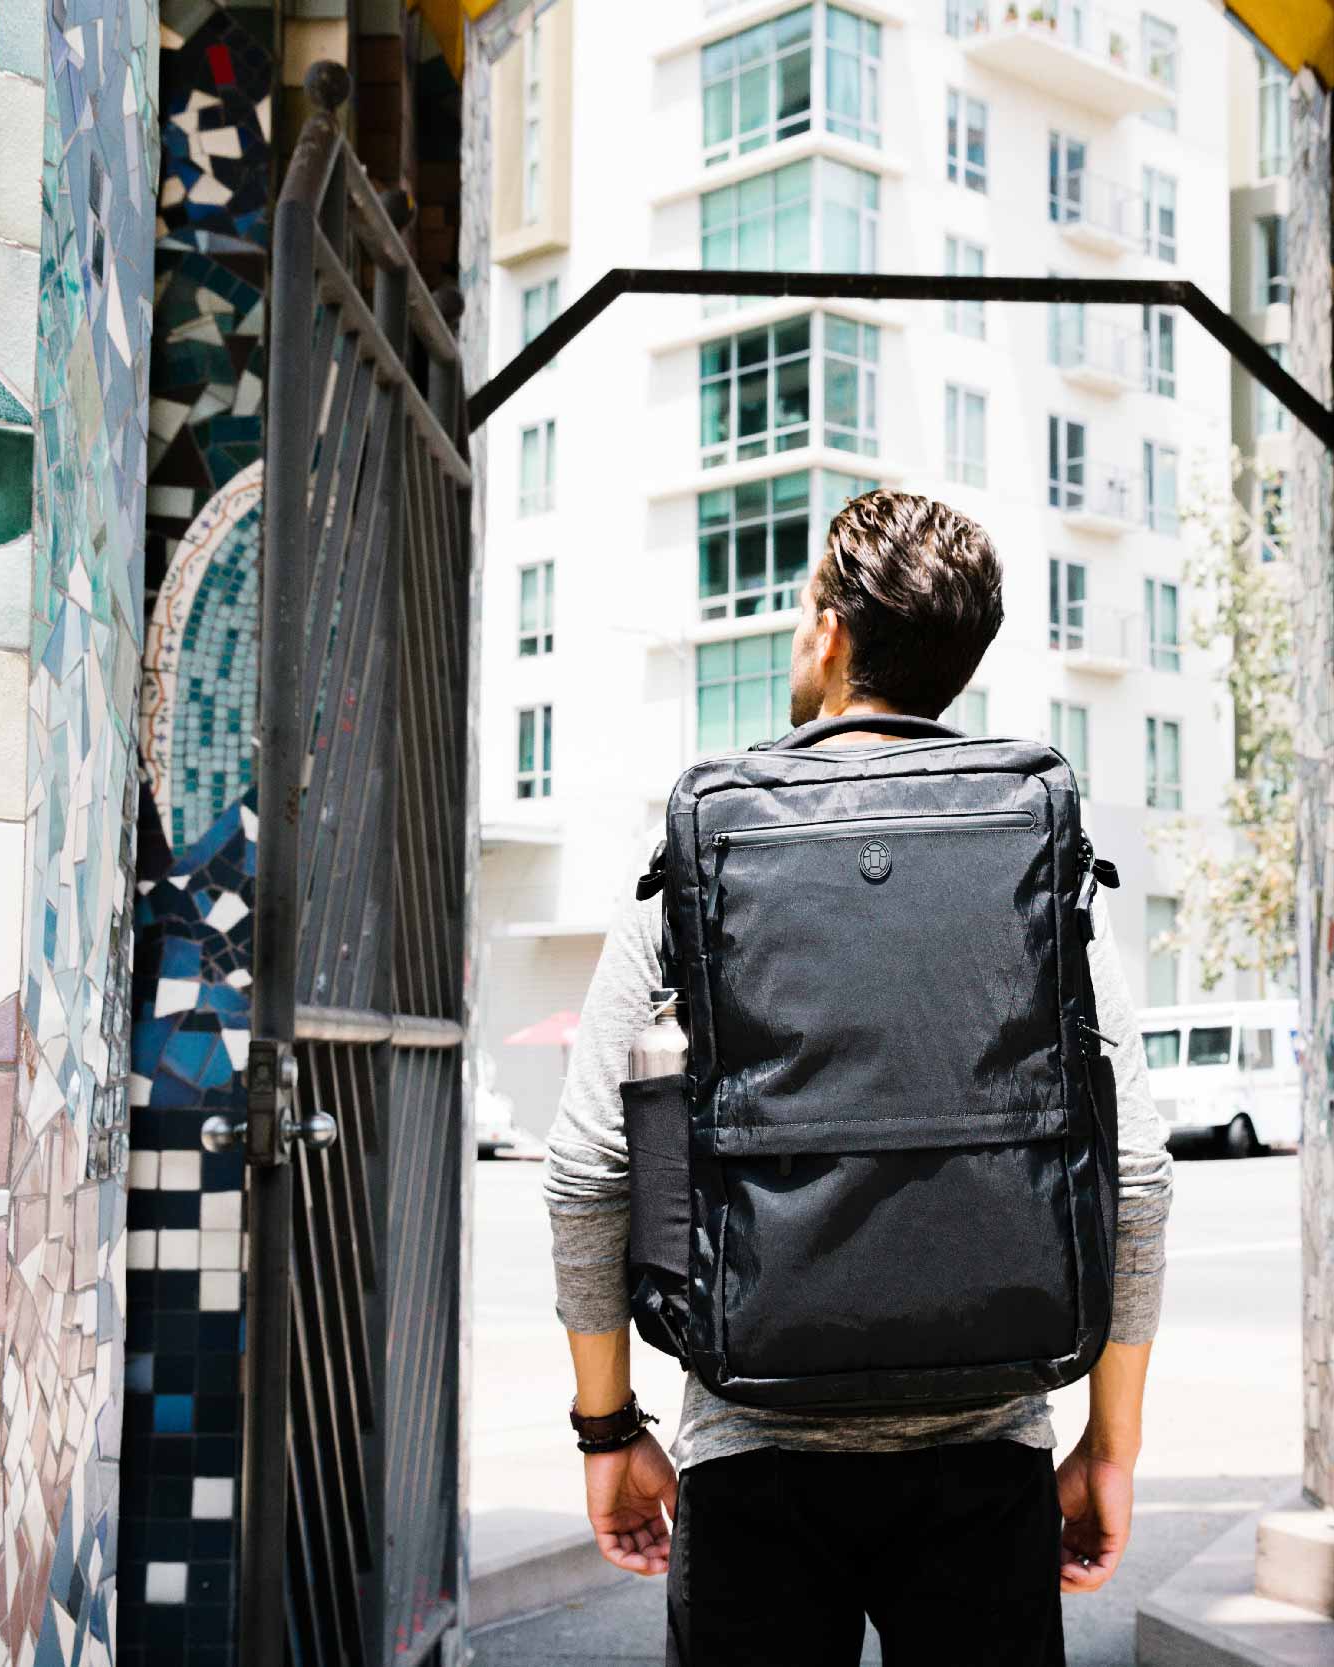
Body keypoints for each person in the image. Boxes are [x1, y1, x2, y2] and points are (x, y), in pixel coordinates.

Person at [542, 488, 1173, 1665]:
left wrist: (607, 1428)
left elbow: (586, 1170)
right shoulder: (1026, 847)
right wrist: (1109, 1444)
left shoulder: (703, 851)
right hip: (988, 1444)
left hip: (753, 1444)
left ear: (829, 634)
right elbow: (1132, 1175)